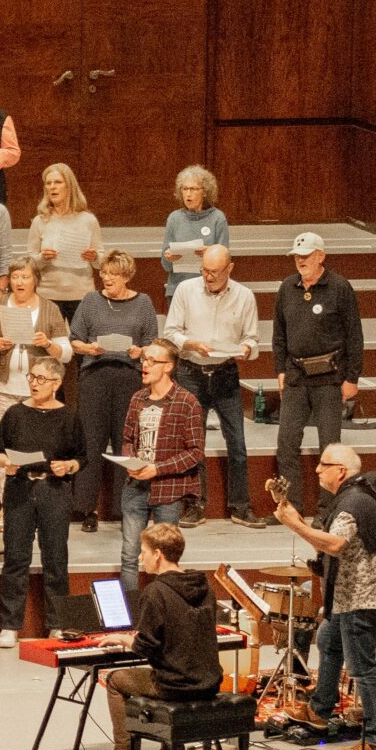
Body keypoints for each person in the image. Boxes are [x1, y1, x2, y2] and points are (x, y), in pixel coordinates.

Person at [86, 524, 225, 750]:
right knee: (163, 670)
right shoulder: (205, 588)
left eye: (143, 551)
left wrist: (123, 639)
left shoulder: (155, 592)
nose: (140, 558)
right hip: (210, 681)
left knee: (114, 679)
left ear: (158, 554)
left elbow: (145, 648)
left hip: (176, 685)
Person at [272, 444, 376, 750]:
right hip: (344, 598)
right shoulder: (353, 497)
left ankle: (373, 739)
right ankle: (320, 708)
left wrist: (294, 524)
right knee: (328, 641)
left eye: (323, 464)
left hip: (360, 598)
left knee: (363, 669)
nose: (317, 470)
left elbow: (335, 544)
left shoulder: (352, 503)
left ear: (341, 471)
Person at [159, 245, 260, 527]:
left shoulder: (244, 296)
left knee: (237, 442)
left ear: (230, 269)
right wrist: (189, 344)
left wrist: (245, 349)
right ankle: (194, 504)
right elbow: (171, 332)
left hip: (226, 372)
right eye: (204, 270)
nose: (208, 276)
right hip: (192, 371)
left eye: (214, 272)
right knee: (194, 443)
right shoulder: (186, 290)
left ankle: (240, 506)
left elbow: (253, 339)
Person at [0, 358, 83, 647]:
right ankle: (9, 624)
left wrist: (67, 466)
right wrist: (4, 461)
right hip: (19, 487)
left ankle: (57, 622)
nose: (33, 382)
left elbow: (82, 458)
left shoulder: (68, 416)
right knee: (15, 556)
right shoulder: (16, 413)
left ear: (56, 383)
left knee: (55, 557)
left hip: (53, 490)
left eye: (41, 378)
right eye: (32, 376)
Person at [68, 251, 157, 533]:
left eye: (112, 274)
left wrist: (139, 351)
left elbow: (151, 343)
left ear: (126, 276)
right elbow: (74, 341)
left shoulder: (143, 303)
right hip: (95, 376)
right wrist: (90, 348)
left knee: (125, 443)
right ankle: (87, 509)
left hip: (129, 378)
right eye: (103, 273)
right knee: (91, 443)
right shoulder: (91, 301)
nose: (105, 278)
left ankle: (125, 508)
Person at [272, 233, 362, 509]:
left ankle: (327, 509)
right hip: (296, 377)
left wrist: (352, 378)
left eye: (306, 255)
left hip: (330, 378)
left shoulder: (339, 287)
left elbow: (354, 335)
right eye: (298, 256)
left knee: (330, 448)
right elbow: (279, 334)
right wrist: (280, 370)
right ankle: (290, 506)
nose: (301, 260)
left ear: (320, 256)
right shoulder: (287, 288)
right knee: (287, 443)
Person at [0, 258, 73, 529]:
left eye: (25, 277)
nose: (19, 282)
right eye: (15, 277)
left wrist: (48, 345)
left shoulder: (49, 309)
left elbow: (66, 354)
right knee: (7, 450)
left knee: (37, 447)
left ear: (35, 280)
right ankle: (7, 507)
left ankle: (39, 505)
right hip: (3, 389)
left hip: (39, 394)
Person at [116, 343, 204, 597]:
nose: (145, 365)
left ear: (168, 366)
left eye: (152, 361)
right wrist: (130, 461)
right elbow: (127, 439)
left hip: (169, 491)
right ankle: (130, 617)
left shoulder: (187, 402)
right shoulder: (137, 399)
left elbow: (195, 452)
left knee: (165, 556)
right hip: (135, 488)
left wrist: (157, 469)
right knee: (129, 555)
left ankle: (165, 608)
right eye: (144, 359)